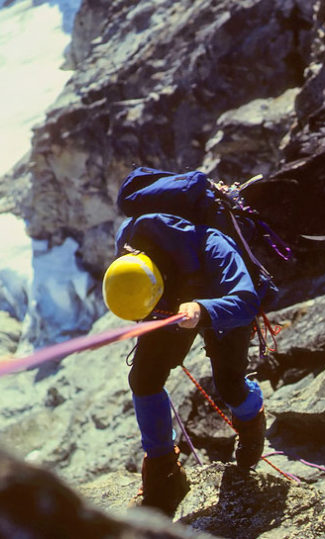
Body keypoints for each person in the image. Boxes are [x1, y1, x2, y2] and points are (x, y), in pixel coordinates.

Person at [102, 209, 267, 517]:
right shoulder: (130, 241)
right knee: (144, 379)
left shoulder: (213, 246)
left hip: (219, 301)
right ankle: (163, 470)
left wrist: (202, 309)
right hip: (166, 307)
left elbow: (246, 302)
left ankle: (252, 420)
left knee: (229, 384)